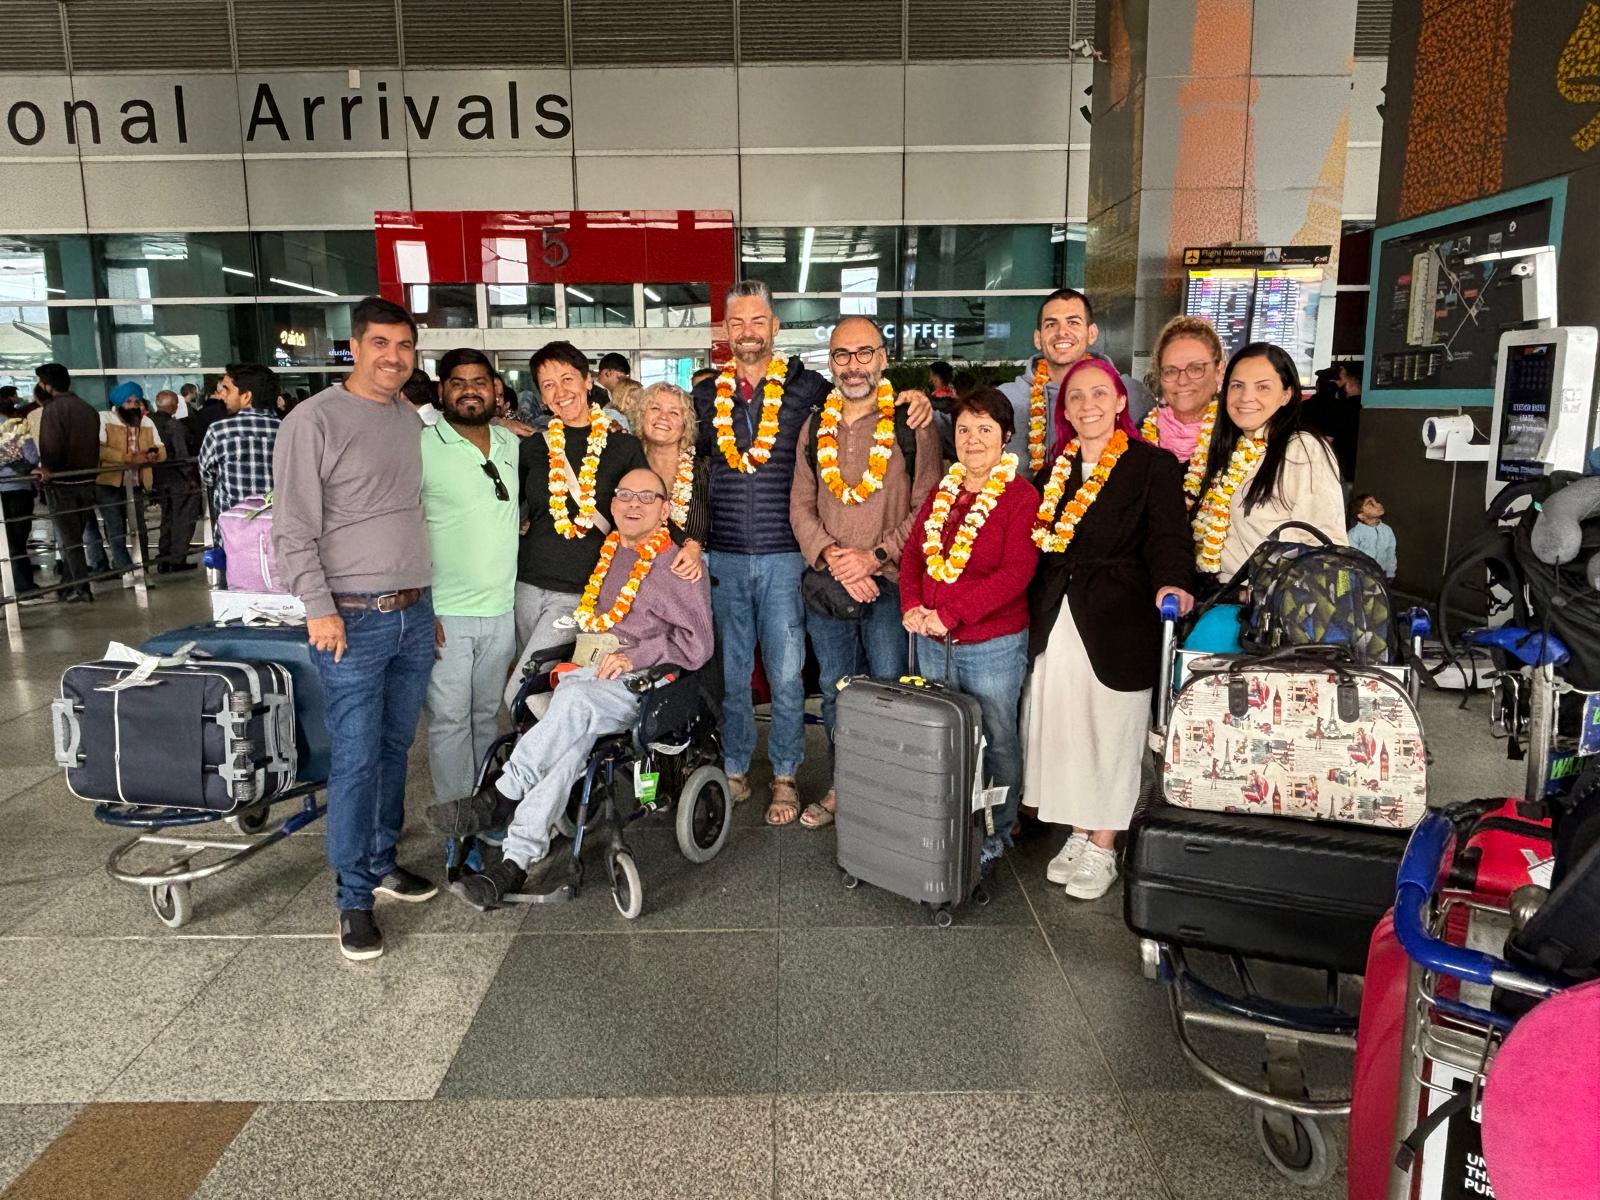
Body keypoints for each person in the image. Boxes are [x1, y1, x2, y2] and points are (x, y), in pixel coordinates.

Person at [690, 282, 935, 822]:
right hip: (729, 555)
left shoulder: (810, 391)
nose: (748, 332)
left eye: (758, 321)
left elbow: (869, 400)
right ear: (726, 332)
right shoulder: (706, 397)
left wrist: (915, 398)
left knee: (788, 676)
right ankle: (734, 767)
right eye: (737, 323)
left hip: (787, 557)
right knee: (735, 674)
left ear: (775, 326)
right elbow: (686, 464)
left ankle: (787, 776)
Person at [427, 467, 713, 910]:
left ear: (665, 508)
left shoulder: (678, 565)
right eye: (624, 494)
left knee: (574, 702)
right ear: (613, 503)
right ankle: (514, 864)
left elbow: (698, 643)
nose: (633, 504)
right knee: (568, 746)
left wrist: (635, 655)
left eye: (646, 497)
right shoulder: (613, 548)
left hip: (644, 686)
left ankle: (503, 795)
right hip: (590, 675)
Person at [271, 297, 439, 962]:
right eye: (380, 343)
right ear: (354, 346)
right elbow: (292, 528)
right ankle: (352, 898)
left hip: (413, 612)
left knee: (396, 750)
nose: (393, 357)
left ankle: (380, 858)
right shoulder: (314, 420)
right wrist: (318, 606)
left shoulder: (407, 419)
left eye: (404, 345)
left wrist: (428, 605)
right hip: (352, 621)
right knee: (357, 756)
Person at [1025, 357, 1194, 900]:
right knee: (1068, 730)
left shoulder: (1152, 465)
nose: (1088, 405)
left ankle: (1105, 843)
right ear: (1064, 411)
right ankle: (1078, 829)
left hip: (1121, 614)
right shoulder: (1053, 470)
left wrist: (1172, 583)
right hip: (1059, 613)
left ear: (1121, 402)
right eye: (1076, 397)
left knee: (1115, 732)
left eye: (1100, 394)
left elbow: (1169, 538)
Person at [789, 316, 941, 828]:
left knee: (891, 690)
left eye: (863, 353)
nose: (852, 366)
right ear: (830, 363)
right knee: (836, 689)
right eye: (841, 355)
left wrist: (874, 557)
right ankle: (844, 787)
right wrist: (835, 556)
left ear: (882, 357)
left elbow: (927, 505)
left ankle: (890, 792)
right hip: (830, 586)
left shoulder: (912, 422)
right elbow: (800, 505)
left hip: (892, 586)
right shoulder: (815, 426)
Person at [899, 387, 1040, 862]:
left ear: (1006, 436)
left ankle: (995, 832)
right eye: (963, 429)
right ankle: (945, 822)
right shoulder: (945, 490)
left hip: (992, 645)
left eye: (985, 429)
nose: (973, 440)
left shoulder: (1021, 496)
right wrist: (913, 605)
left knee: (997, 739)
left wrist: (949, 613)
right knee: (941, 737)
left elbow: (1016, 574)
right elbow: (914, 556)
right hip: (933, 641)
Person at [420, 348, 520, 806]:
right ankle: (456, 825)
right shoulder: (420, 447)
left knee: (485, 717)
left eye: (479, 382)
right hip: (447, 613)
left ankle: (479, 808)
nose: (470, 391)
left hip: (501, 610)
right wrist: (424, 604)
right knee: (449, 720)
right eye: (458, 383)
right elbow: (404, 525)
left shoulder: (511, 444)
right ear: (442, 390)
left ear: (495, 390)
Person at [512, 340, 647, 674]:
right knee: (542, 685)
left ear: (588, 381)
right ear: (542, 397)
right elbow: (515, 504)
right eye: (548, 385)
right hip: (525, 585)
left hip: (580, 589)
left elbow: (647, 511)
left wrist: (687, 544)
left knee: (523, 685)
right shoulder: (532, 447)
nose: (560, 392)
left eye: (567, 378)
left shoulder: (623, 446)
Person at [1191, 341, 1347, 581]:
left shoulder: (1302, 449)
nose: (1246, 397)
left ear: (1286, 395)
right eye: (1237, 386)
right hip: (1219, 592)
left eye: (1262, 387)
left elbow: (1326, 542)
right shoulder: (1226, 448)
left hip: (1273, 605)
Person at [31, 363, 103, 602]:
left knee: (69, 539)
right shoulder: (87, 408)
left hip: (63, 483)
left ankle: (80, 588)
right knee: (76, 533)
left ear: (48, 385)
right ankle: (68, 584)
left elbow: (51, 447)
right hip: (88, 481)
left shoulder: (53, 410)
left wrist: (47, 469)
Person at [1140, 315, 1225, 509]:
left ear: (1219, 371)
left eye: (1196, 368)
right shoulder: (1139, 435)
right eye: (1170, 371)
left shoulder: (1236, 437)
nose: (1182, 380)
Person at [632, 381, 708, 580]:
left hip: (692, 576)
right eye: (655, 408)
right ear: (642, 417)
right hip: (635, 576)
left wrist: (695, 548)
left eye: (674, 412)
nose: (663, 417)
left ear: (686, 424)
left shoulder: (705, 469)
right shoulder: (627, 467)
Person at [96, 383, 165, 572]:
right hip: (109, 483)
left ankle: (141, 567)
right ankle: (125, 569)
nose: (133, 405)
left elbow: (161, 449)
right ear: (118, 403)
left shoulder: (146, 422)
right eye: (128, 401)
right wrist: (128, 458)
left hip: (135, 483)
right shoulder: (104, 419)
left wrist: (153, 455)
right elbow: (100, 449)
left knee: (139, 528)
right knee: (116, 529)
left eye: (137, 401)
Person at [198, 363, 279, 522]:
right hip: (278, 532)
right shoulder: (288, 430)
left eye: (227, 389)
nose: (222, 395)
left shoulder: (219, 432)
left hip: (233, 535)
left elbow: (207, 476)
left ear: (246, 396)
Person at [149, 389, 201, 572]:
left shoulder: (148, 423)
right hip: (178, 478)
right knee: (184, 518)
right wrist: (191, 479)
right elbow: (181, 454)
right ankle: (177, 559)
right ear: (174, 406)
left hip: (158, 477)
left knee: (168, 517)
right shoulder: (174, 426)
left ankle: (164, 557)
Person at [0, 389, 39, 595]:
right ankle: (23, 586)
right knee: (17, 541)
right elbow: (32, 458)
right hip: (18, 489)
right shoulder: (16, 428)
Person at [1348, 492, 1397, 580]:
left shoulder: (1387, 530)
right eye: (1371, 504)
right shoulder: (1354, 534)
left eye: (1377, 501)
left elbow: (1391, 552)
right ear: (1361, 515)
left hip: (1381, 574)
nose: (1379, 504)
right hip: (1361, 575)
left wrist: (1390, 572)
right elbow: (1351, 557)